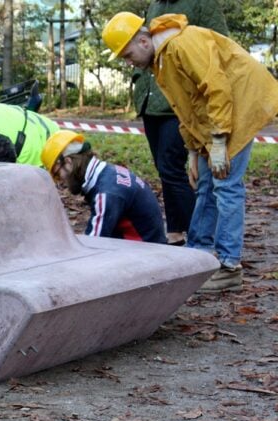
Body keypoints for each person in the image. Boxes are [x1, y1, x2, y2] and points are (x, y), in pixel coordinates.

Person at [102, 12, 278, 291]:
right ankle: (199, 251)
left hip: (240, 105)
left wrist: (219, 139)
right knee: (207, 183)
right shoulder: (162, 60)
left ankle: (230, 265)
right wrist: (195, 152)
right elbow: (187, 109)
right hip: (217, 117)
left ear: (144, 40)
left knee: (227, 185)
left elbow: (217, 89)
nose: (128, 62)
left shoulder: (183, 44)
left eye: (127, 54)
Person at [132, 0, 228, 247]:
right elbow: (143, 45)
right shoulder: (154, 6)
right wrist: (139, 78)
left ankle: (199, 236)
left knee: (171, 166)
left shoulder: (200, 4)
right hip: (150, 101)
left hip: (179, 100)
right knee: (164, 168)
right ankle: (175, 231)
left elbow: (219, 44)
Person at [41, 129, 166, 244]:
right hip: (147, 243)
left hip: (142, 254)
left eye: (57, 174)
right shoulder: (108, 172)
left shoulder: (105, 194)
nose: (60, 181)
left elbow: (93, 245)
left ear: (68, 162)